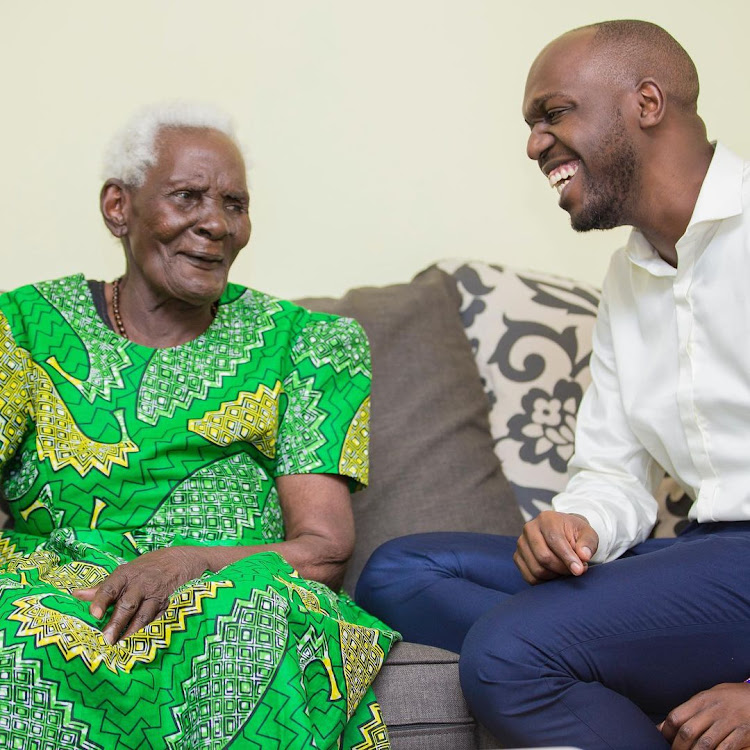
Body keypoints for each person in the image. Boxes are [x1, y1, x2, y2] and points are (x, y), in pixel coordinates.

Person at [355, 19, 750, 750]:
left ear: (648, 102)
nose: (535, 145)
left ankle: (564, 657)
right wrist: (581, 526)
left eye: (553, 113)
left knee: (508, 653)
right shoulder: (629, 279)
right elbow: (610, 470)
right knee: (397, 573)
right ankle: (611, 663)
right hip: (706, 559)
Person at [0, 101, 398, 749]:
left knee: (252, 624)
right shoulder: (22, 327)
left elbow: (323, 550)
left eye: (235, 204)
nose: (215, 224)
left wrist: (191, 562)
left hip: (228, 580)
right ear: (118, 207)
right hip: (57, 584)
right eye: (188, 197)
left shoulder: (309, 344)